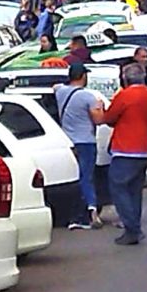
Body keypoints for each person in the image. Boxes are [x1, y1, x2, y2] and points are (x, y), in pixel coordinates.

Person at [92, 63, 147, 245]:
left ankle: (132, 228)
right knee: (135, 190)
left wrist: (99, 110)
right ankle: (134, 225)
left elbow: (109, 117)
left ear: (125, 78)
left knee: (118, 187)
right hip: (143, 148)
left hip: (125, 149)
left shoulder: (125, 95)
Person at [56, 64, 105, 230]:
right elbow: (98, 120)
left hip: (68, 142)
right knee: (87, 177)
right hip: (86, 142)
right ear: (83, 76)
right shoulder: (88, 97)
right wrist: (100, 107)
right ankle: (91, 210)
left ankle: (75, 214)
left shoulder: (60, 92)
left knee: (74, 178)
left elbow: (55, 86)